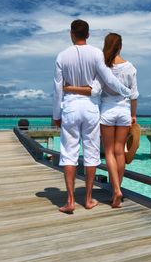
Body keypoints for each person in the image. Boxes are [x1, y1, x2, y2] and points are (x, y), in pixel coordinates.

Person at [53, 21, 133, 213]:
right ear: (87, 34)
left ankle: (71, 200)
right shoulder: (96, 53)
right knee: (91, 153)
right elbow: (109, 80)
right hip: (91, 108)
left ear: (71, 34)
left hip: (71, 106)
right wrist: (126, 92)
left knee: (69, 153)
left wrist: (56, 114)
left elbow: (57, 89)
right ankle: (88, 199)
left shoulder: (62, 56)